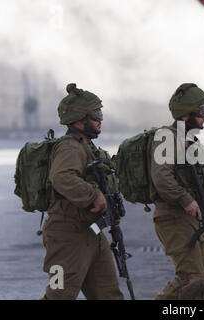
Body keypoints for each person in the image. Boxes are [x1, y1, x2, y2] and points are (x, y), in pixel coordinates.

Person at [41, 83, 124, 300]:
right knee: (58, 295)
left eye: (100, 113)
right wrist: (93, 195)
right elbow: (61, 177)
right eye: (96, 114)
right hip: (66, 236)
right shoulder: (69, 147)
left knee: (109, 295)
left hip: (92, 233)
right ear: (79, 119)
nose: (101, 119)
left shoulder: (87, 147)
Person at [150, 83, 204, 300]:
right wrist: (186, 199)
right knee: (192, 277)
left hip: (191, 217)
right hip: (173, 216)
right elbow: (161, 177)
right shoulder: (167, 138)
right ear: (187, 114)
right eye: (202, 112)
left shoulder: (189, 141)